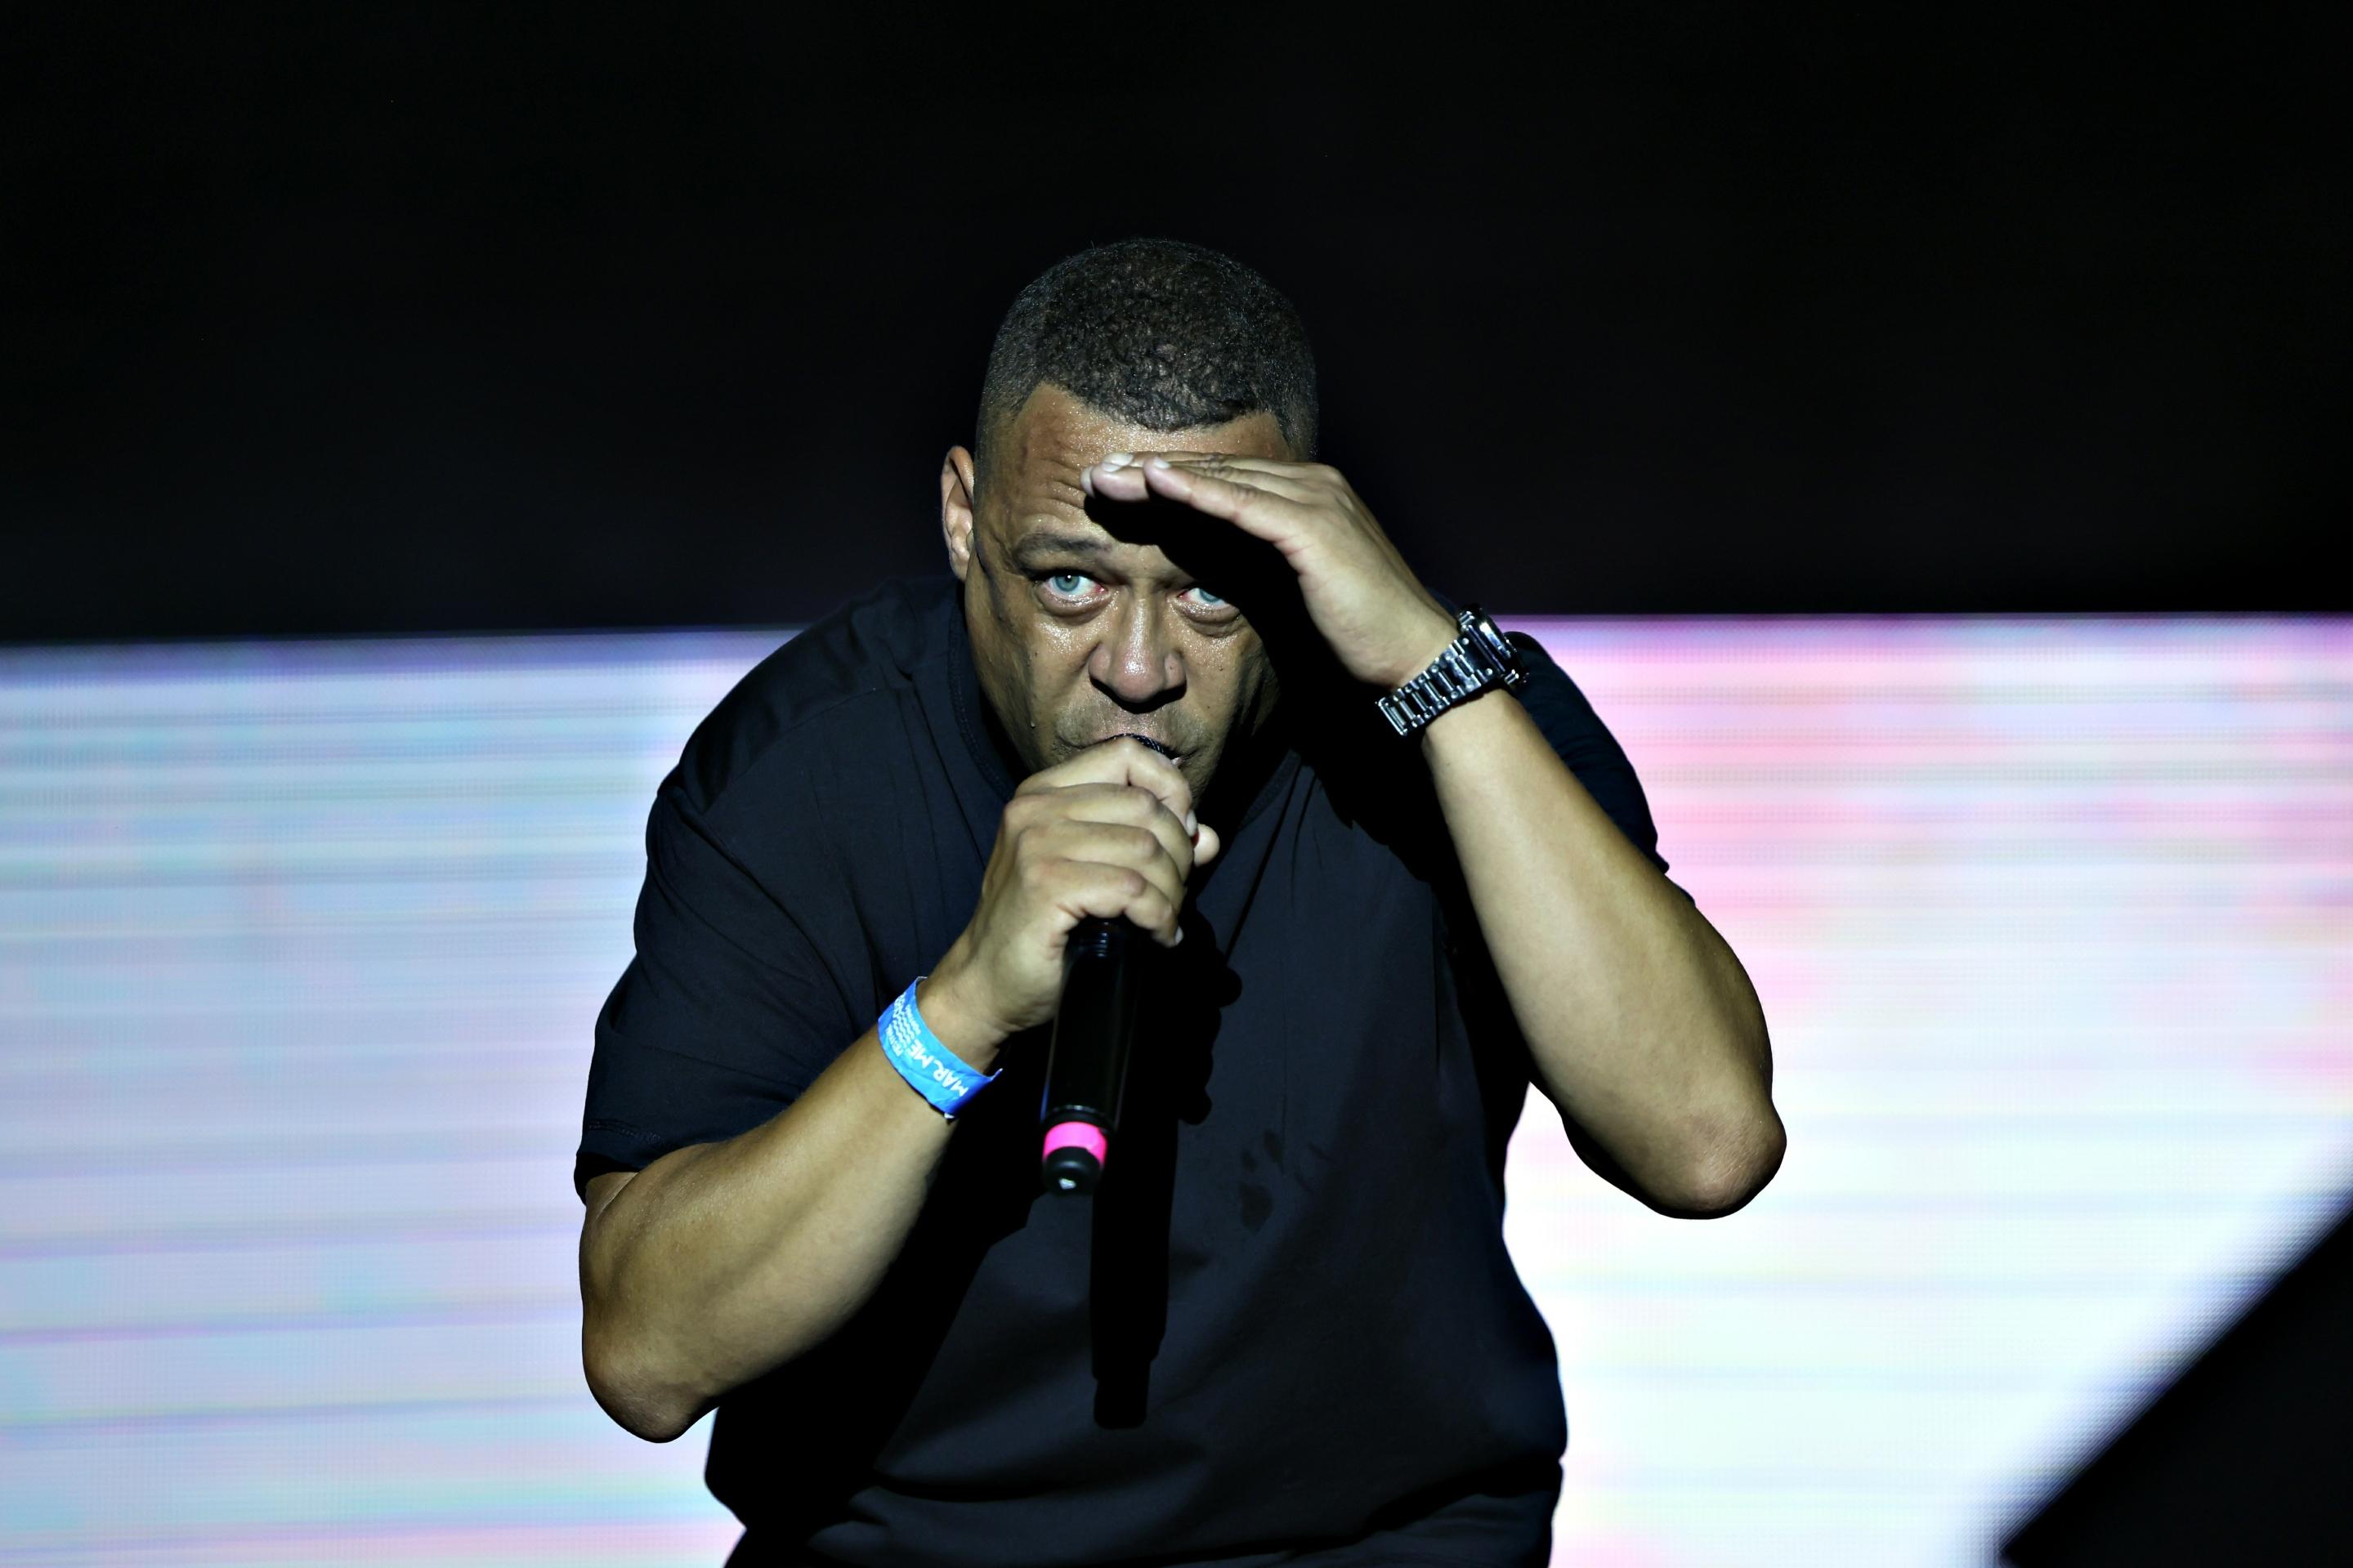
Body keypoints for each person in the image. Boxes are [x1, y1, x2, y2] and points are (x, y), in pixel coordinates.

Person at [573, 238, 1783, 1566]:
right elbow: (647, 1354)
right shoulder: (808, 768)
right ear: (964, 519)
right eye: (1071, 583)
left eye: (1211, 591)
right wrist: (959, 1011)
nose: (1139, 669)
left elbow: (1705, 1146)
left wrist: (1433, 668)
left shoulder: (1460, 720)